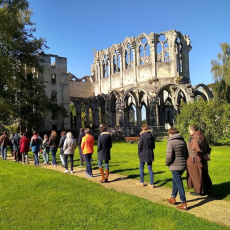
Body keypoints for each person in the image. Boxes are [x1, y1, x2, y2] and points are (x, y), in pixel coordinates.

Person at [166, 127, 189, 210]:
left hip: (175, 165)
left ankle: (183, 202)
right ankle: (173, 197)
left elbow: (169, 156)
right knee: (175, 180)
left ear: (171, 133)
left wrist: (167, 163)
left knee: (179, 183)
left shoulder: (171, 142)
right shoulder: (183, 141)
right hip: (182, 165)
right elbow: (187, 154)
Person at [187, 125, 212, 196]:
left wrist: (204, 155)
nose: (189, 132)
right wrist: (206, 155)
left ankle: (198, 191)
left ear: (192, 130)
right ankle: (205, 190)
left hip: (195, 159)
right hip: (202, 159)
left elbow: (197, 150)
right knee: (202, 174)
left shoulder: (194, 139)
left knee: (196, 175)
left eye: (189, 130)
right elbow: (208, 148)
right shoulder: (203, 137)